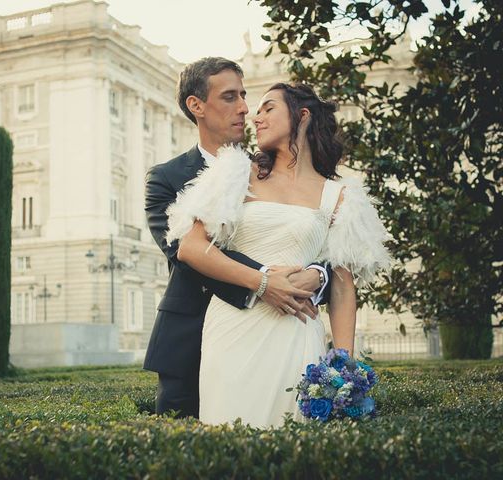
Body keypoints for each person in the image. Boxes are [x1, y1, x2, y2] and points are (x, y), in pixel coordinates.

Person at [172, 83, 391, 427]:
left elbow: (343, 287)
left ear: (301, 116)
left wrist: (342, 368)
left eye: (268, 108)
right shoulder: (236, 174)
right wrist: (262, 282)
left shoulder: (340, 196)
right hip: (233, 328)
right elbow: (192, 248)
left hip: (298, 332)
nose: (255, 118)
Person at [143, 58, 332, 419]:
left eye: (244, 96)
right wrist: (267, 281)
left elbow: (305, 233)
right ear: (196, 106)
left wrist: (317, 275)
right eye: (230, 97)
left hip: (277, 331)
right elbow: (187, 253)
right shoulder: (165, 179)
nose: (245, 108)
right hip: (189, 335)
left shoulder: (265, 171)